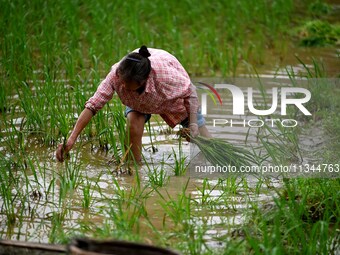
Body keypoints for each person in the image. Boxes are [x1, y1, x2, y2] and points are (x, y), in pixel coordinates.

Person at [56, 46, 211, 164]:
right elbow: (93, 105)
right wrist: (71, 139)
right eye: (121, 82)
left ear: (143, 81)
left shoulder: (166, 78)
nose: (122, 87)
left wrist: (193, 125)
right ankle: (134, 166)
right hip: (139, 102)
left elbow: (190, 93)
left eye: (127, 85)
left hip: (170, 97)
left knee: (203, 141)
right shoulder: (117, 75)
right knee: (133, 124)